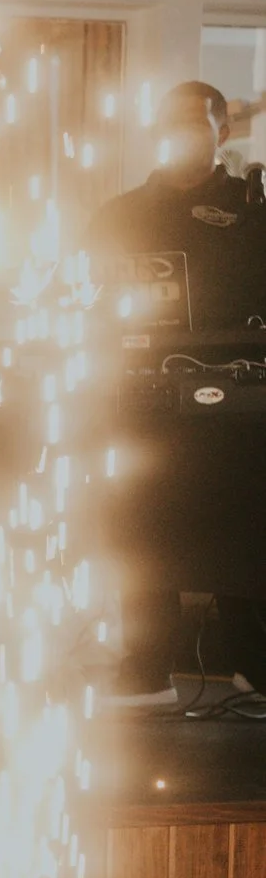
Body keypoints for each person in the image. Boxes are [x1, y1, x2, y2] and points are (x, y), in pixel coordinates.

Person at [90, 79, 266, 708]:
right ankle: (147, 671)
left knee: (243, 527)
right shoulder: (120, 215)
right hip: (143, 400)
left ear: (223, 131)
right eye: (170, 122)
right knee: (144, 526)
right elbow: (84, 297)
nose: (181, 133)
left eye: (196, 122)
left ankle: (254, 665)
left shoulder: (252, 213)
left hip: (241, 403)